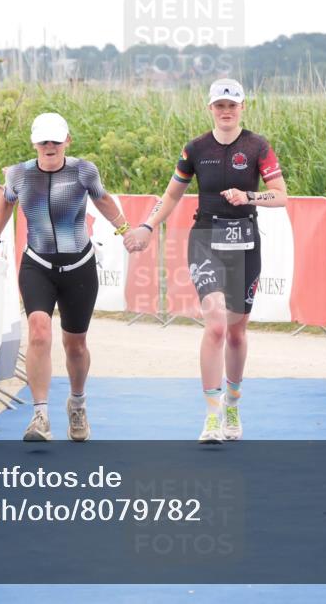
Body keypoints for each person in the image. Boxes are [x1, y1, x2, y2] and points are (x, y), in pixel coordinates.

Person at [124, 79, 288, 443]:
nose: (226, 112)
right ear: (210, 108)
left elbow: (280, 196)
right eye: (219, 106)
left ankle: (232, 403)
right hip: (205, 240)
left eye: (232, 105)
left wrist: (248, 196)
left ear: (243, 107)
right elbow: (171, 195)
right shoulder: (196, 148)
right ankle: (212, 415)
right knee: (215, 323)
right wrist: (147, 226)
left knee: (236, 330)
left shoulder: (257, 146)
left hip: (245, 243)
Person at [0, 113, 129, 442]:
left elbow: (102, 199)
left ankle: (77, 404)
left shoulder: (83, 170)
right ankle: (40, 415)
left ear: (67, 141)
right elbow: (6, 204)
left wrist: (125, 230)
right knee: (37, 332)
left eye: (55, 140)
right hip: (38, 264)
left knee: (75, 345)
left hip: (79, 266)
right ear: (34, 143)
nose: (49, 147)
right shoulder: (18, 173)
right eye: (43, 141)